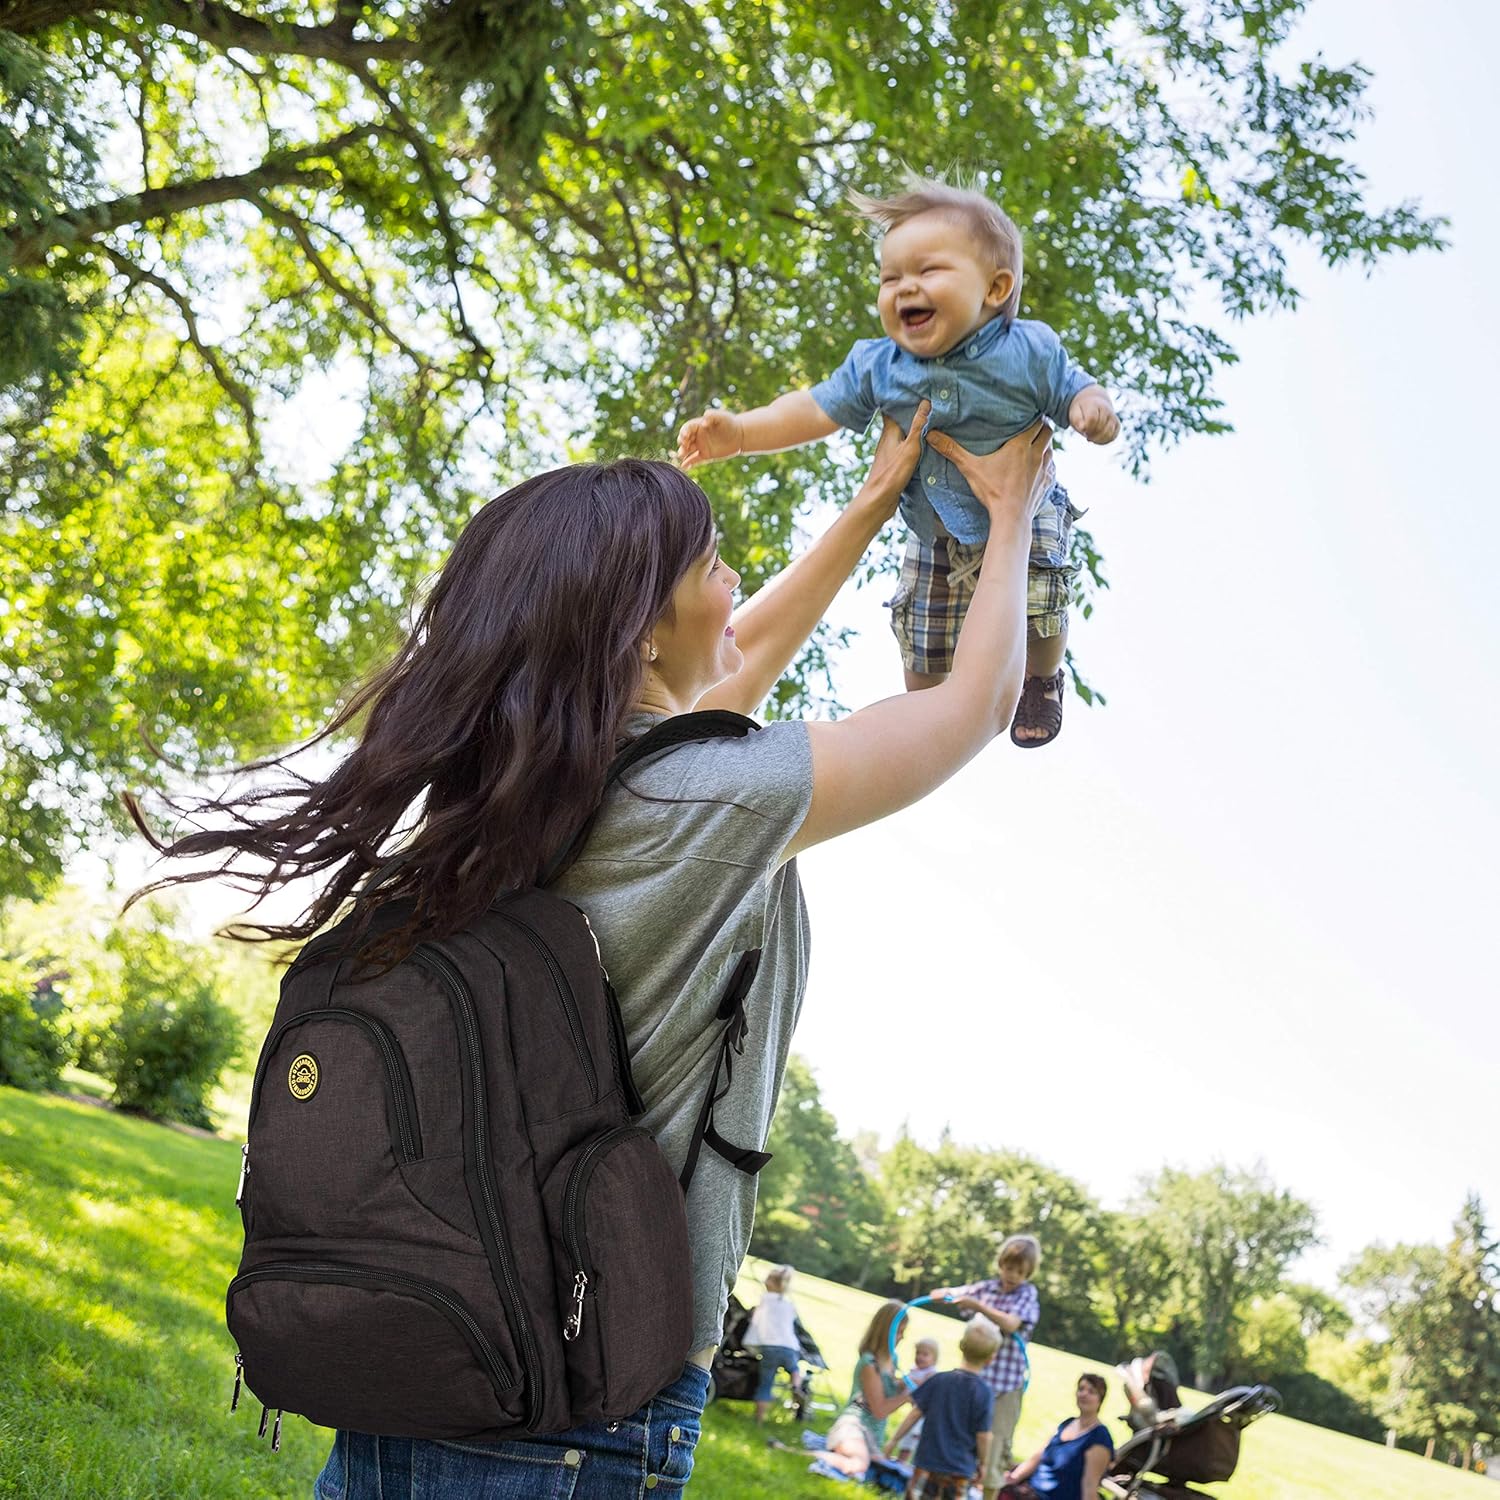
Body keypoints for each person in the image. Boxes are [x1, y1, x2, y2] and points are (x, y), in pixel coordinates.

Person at [131, 394, 1055, 1497]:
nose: (733, 588)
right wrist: (1011, 514)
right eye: (714, 564)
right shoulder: (709, 802)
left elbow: (717, 667)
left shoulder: (504, 804)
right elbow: (977, 699)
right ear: (641, 624)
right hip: (581, 1398)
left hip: (419, 1366)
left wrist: (865, 511)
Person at [677, 167, 1119, 748]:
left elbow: (1075, 387)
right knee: (919, 645)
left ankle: (1042, 679)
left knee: (1042, 601)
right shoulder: (878, 365)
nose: (904, 287)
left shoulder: (1028, 351)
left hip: (1027, 511)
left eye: (929, 270)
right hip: (932, 531)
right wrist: (740, 434)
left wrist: (1092, 409)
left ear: (994, 289)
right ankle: (937, 709)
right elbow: (814, 409)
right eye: (890, 277)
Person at [930, 1233, 1043, 1500]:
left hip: (1005, 1387)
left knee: (994, 1450)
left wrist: (977, 1306)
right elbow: (941, 1295)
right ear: (1000, 1264)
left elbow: (1011, 1324)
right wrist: (947, 1295)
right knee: (961, 1440)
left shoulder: (1027, 1294)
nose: (1012, 1275)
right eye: (1008, 1267)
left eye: (1019, 1271)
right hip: (974, 1383)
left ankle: (989, 1495)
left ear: (1028, 1273)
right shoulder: (986, 1288)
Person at [885, 1320, 999, 1499]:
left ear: (961, 1346)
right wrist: (984, 1463)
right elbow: (983, 1435)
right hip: (959, 1471)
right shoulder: (984, 1393)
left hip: (926, 1463)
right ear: (991, 1357)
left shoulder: (939, 1380)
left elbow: (915, 1412)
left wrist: (894, 1440)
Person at [812, 1301, 913, 1481]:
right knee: (859, 1464)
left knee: (878, 1466)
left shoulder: (892, 1360)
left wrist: (903, 1385)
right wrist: (907, 1396)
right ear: (885, 1332)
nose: (902, 1338)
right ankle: (794, 1452)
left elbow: (887, 1388)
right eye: (899, 1332)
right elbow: (879, 1409)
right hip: (853, 1426)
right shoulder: (869, 1363)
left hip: (872, 1435)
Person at [1000, 1373, 1114, 1500]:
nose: (1084, 1394)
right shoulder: (1067, 1424)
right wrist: (1014, 1477)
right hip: (1032, 1489)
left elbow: (1089, 1486)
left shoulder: (1099, 1437)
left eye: (1091, 1392)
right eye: (1081, 1389)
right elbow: (1037, 1457)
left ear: (1100, 1399)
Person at [744, 1264, 806, 1423]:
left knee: (766, 1383)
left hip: (770, 1347)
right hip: (789, 1347)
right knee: (794, 1368)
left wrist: (750, 1344)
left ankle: (758, 1421)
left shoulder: (765, 1301)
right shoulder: (789, 1304)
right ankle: (796, 1387)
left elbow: (757, 1324)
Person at [892, 1336, 941, 1463]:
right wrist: (901, 1383)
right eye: (918, 1353)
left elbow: (926, 1387)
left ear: (934, 1358)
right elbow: (904, 1389)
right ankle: (901, 1461)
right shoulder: (914, 1370)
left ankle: (912, 1464)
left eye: (925, 1354)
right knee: (907, 1439)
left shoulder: (931, 1374)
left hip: (923, 1416)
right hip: (914, 1411)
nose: (920, 1357)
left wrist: (913, 1381)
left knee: (915, 1439)